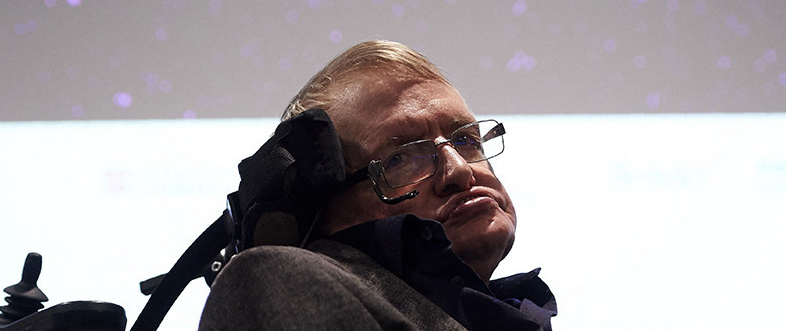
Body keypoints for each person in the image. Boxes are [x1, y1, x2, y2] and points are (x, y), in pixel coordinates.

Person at [199, 40, 556, 330]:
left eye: (465, 139)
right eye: (401, 158)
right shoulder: (276, 283)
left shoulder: (507, 313)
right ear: (325, 211)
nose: (460, 171)